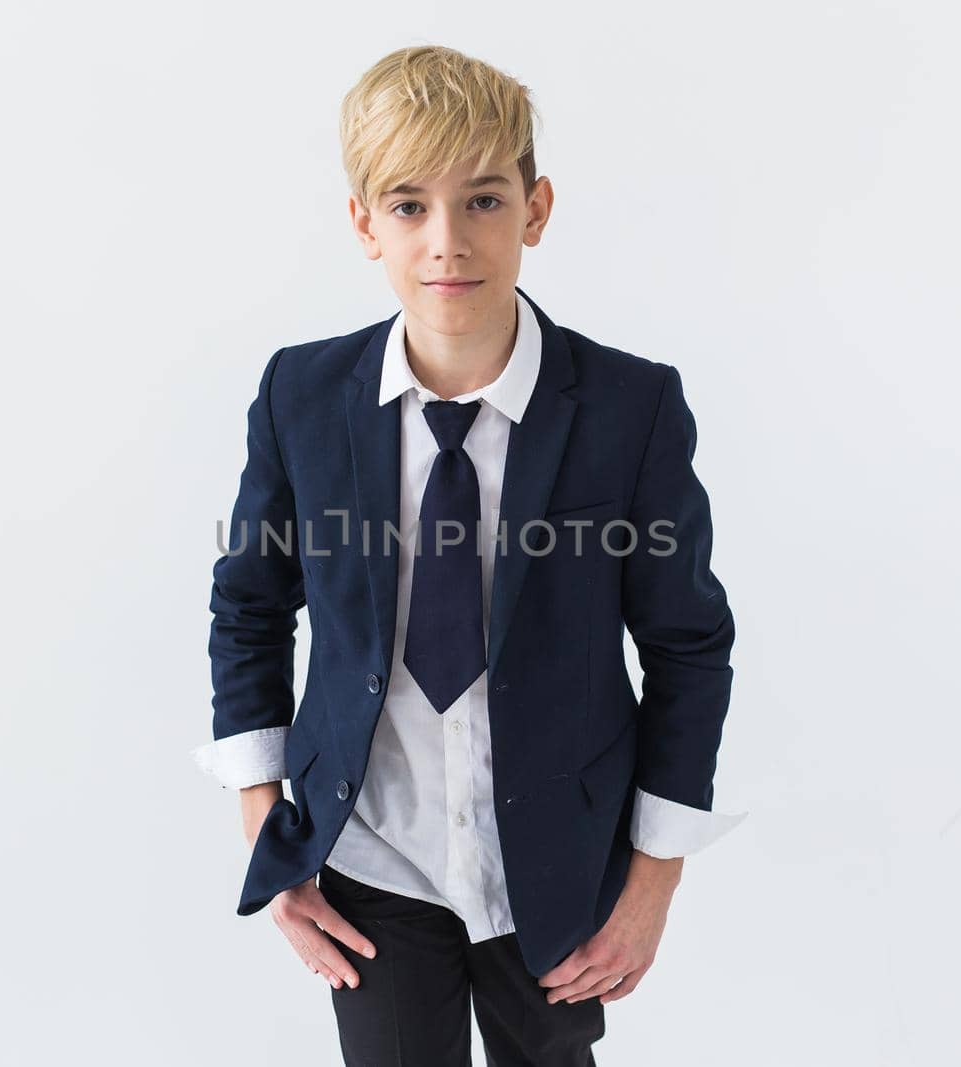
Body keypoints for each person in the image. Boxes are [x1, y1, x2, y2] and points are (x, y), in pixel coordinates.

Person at [191, 43, 746, 1066]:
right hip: (372, 857)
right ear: (364, 222)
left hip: (558, 857)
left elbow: (686, 649)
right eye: (408, 205)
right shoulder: (301, 397)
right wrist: (268, 829)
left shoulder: (629, 408)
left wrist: (651, 883)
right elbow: (250, 608)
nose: (447, 241)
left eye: (483, 201)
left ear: (535, 209)